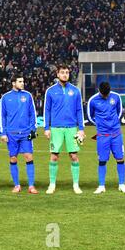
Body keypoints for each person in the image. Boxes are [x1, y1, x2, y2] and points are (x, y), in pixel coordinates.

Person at [44, 65, 85, 194]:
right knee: (54, 156)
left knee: (73, 156)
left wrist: (81, 129)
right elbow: (47, 110)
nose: (65, 75)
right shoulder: (50, 91)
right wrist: (46, 128)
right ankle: (52, 184)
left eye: (67, 72)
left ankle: (76, 185)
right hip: (56, 128)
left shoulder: (75, 91)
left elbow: (79, 110)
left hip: (72, 128)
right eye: (62, 72)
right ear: (57, 74)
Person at [0, 75, 39, 194]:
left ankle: (31, 186)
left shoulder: (27, 96)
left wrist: (33, 130)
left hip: (25, 132)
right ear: (13, 83)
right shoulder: (5, 98)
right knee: (13, 158)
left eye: (23, 81)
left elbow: (32, 114)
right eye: (20, 81)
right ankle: (17, 185)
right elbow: (3, 116)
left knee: (29, 157)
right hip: (11, 133)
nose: (22, 83)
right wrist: (3, 133)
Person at [87, 81, 125, 194]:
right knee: (102, 160)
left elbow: (119, 111)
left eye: (107, 94)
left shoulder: (116, 97)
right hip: (102, 135)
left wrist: (114, 123)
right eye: (103, 95)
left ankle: (122, 185)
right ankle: (101, 186)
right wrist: (100, 125)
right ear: (99, 91)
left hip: (116, 134)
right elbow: (90, 116)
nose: (105, 96)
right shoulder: (93, 100)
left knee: (120, 158)